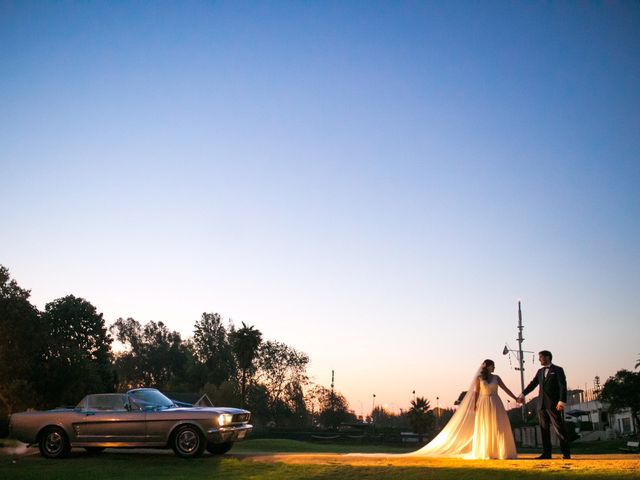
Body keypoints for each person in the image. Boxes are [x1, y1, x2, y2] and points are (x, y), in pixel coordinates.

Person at [409, 359, 518, 459]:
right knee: (485, 425)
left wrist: (515, 398)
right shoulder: (479, 378)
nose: (494, 368)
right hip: (484, 403)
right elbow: (476, 393)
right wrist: (475, 404)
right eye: (493, 366)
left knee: (497, 425)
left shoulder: (497, 378)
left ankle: (499, 451)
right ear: (488, 366)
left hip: (495, 403)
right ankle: (487, 452)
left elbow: (506, 389)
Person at [517, 350, 571, 459]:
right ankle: (547, 453)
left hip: (554, 404)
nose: (539, 359)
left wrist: (562, 401)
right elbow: (533, 384)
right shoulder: (540, 371)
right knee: (544, 429)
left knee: (559, 428)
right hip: (541, 405)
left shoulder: (558, 370)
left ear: (547, 357)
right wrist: (523, 394)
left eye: (541, 357)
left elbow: (562, 386)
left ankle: (566, 453)